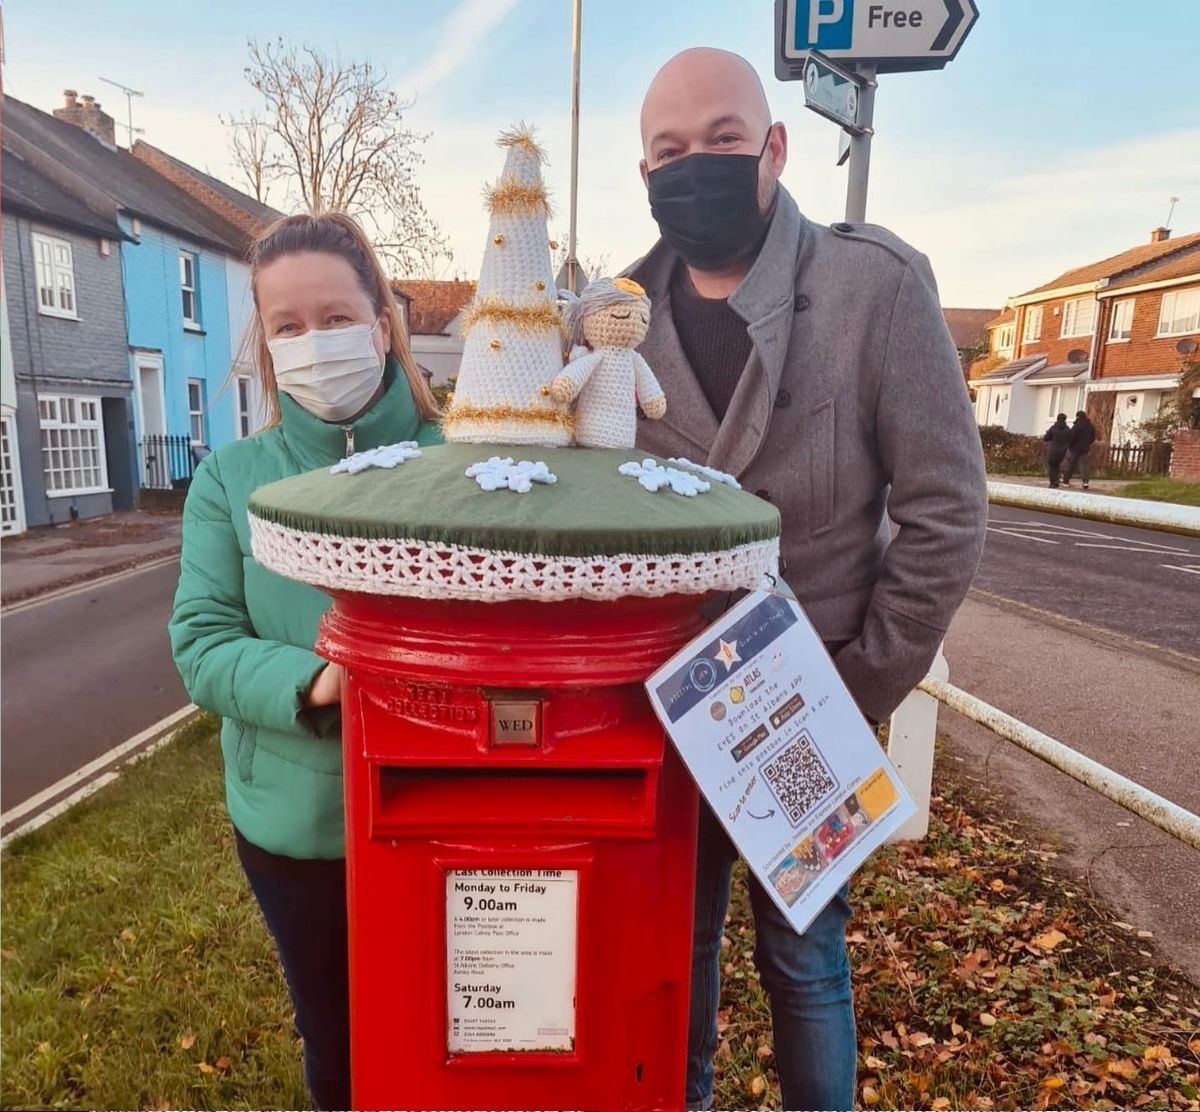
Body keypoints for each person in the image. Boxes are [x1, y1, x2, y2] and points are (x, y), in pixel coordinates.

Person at [628, 48, 987, 1111]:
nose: (696, 165)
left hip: (814, 705)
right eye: (670, 150)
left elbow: (946, 509)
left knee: (805, 960)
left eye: (724, 140)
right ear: (644, 172)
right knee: (675, 949)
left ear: (775, 148)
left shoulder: (873, 290)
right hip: (668, 710)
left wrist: (861, 684)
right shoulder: (615, 318)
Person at [168, 212, 441, 1111]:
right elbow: (203, 642)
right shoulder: (232, 480)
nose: (312, 343)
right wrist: (318, 679)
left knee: (456, 1036)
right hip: (299, 826)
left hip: (450, 808)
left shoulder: (473, 464)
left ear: (381, 323)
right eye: (287, 326)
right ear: (264, 342)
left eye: (333, 317)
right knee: (341, 1045)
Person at [1062, 410, 1096, 489]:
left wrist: (1070, 445)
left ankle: (1066, 481)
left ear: (1077, 416)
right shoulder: (1090, 426)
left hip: (1074, 449)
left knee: (1069, 465)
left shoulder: (1077, 426)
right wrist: (1087, 444)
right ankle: (1085, 482)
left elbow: (1072, 437)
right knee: (1084, 467)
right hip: (1084, 449)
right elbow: (1092, 437)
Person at [1043, 412, 1073, 488]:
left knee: (1052, 465)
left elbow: (1046, 438)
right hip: (1062, 451)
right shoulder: (1067, 429)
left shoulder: (1053, 428)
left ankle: (1053, 482)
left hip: (1052, 449)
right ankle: (1056, 481)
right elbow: (1071, 439)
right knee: (1057, 465)